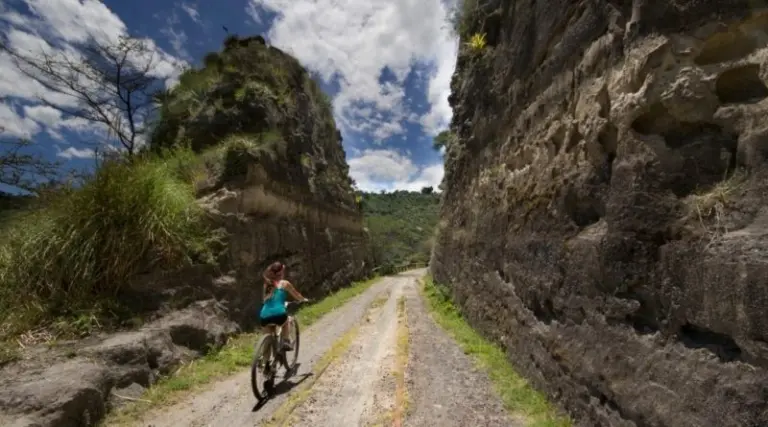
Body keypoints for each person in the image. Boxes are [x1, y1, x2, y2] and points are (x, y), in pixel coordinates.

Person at [259, 261, 308, 352]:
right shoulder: (285, 283)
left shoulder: (266, 284)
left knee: (267, 344)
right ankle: (286, 341)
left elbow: (264, 300)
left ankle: (265, 359)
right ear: (281, 272)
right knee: (287, 321)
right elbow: (296, 295)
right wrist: (303, 299)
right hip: (279, 314)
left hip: (264, 315)